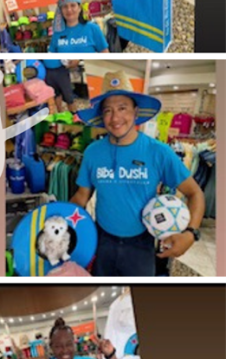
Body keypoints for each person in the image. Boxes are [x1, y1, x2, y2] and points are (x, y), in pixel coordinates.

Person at [72, 71, 205, 276]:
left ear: (136, 111)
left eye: (122, 108)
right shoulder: (92, 152)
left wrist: (190, 233)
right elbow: (82, 195)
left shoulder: (158, 152)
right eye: (108, 111)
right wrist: (61, 218)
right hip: (102, 240)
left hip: (141, 245)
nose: (115, 118)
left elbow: (195, 193)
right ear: (101, 116)